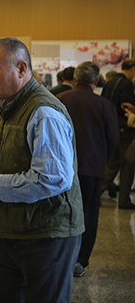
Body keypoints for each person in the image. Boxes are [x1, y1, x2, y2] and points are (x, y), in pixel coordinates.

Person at [0, 38, 84, 303]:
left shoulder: (43, 112)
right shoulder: (9, 107)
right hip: (15, 232)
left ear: (21, 68)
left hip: (46, 234)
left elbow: (53, 178)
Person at [58, 61, 119, 277]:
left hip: (61, 168)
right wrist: (102, 158)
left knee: (60, 212)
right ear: (96, 81)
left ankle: (60, 257)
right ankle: (80, 260)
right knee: (89, 213)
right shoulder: (105, 105)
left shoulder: (59, 100)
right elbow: (113, 140)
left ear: (75, 79)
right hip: (92, 167)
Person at [100, 58, 135, 208]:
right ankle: (124, 200)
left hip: (112, 126)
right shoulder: (127, 84)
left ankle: (93, 193)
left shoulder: (111, 82)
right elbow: (127, 108)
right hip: (125, 129)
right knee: (128, 163)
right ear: (132, 68)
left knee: (113, 163)